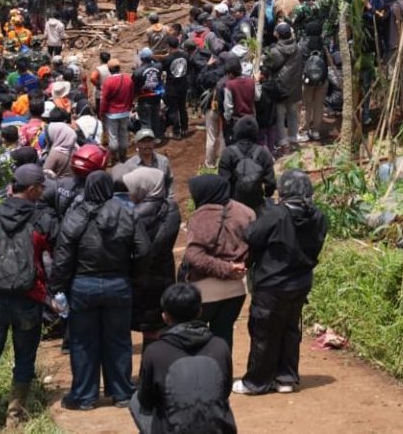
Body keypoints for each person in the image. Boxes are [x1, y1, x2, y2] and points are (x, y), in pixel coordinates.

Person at [0, 163, 57, 432]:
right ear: (30, 189)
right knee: (25, 358)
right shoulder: (42, 219)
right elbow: (58, 257)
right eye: (40, 187)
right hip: (29, 298)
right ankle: (14, 421)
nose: (42, 192)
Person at [53, 171, 148, 411]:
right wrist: (132, 274)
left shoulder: (75, 216)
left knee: (83, 343)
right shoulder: (127, 213)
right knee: (118, 340)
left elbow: (62, 259)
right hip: (118, 284)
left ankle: (85, 397)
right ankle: (122, 394)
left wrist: (58, 288)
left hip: (83, 286)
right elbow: (144, 250)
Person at [235, 171, 328, 396]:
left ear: (283, 191)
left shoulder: (276, 214)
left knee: (264, 330)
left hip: (272, 282)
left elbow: (251, 235)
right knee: (289, 329)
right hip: (301, 281)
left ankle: (256, 382)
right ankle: (285, 378)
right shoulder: (319, 216)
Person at [130, 284, 236, 434]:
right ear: (200, 311)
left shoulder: (154, 352)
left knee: (135, 400)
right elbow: (224, 391)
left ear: (165, 316)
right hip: (216, 430)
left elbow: (146, 400)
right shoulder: (220, 346)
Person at [180, 175, 253, 354]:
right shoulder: (246, 212)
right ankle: (223, 377)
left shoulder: (203, 215)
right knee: (224, 334)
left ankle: (200, 378)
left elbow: (194, 256)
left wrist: (226, 268)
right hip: (237, 287)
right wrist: (238, 266)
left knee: (194, 336)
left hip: (206, 289)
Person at [123, 166, 180, 346]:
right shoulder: (171, 209)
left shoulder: (131, 214)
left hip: (139, 279)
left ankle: (147, 372)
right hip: (165, 274)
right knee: (160, 327)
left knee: (146, 328)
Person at [261, 23, 306, 149]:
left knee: (280, 116)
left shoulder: (275, 51)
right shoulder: (298, 48)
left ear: (278, 35)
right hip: (295, 87)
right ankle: (293, 138)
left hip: (279, 88)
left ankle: (282, 141)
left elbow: (267, 68)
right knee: (293, 114)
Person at [218, 117, 275, 214]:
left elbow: (223, 184)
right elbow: (270, 184)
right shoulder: (264, 153)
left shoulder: (227, 153)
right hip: (258, 206)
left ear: (236, 131)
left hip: (235, 207)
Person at [100, 59, 135, 161]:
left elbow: (104, 100)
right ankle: (123, 155)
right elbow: (132, 95)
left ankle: (114, 156)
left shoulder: (108, 82)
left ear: (109, 70)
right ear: (119, 68)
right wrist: (129, 107)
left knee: (113, 135)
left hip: (112, 113)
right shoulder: (128, 79)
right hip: (125, 112)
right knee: (123, 133)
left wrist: (102, 113)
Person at [122, 129, 174, 197]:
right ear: (137, 144)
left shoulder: (163, 161)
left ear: (154, 143)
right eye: (143, 142)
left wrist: (170, 198)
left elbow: (169, 181)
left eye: (149, 141)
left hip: (161, 203)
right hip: (140, 205)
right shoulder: (129, 165)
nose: (147, 145)